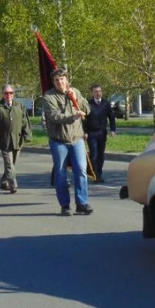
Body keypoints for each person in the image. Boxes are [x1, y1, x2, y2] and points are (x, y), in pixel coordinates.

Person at [43, 68, 92, 216]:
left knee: (81, 171)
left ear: (66, 80)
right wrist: (73, 115)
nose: (60, 82)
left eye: (62, 79)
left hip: (77, 139)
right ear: (53, 82)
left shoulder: (74, 92)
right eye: (57, 80)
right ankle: (65, 205)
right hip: (59, 141)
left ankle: (82, 203)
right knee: (61, 173)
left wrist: (75, 99)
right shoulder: (49, 97)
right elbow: (55, 117)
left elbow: (87, 110)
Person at [0, 84, 31, 194]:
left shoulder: (19, 106)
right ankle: (13, 185)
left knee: (12, 164)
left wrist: (27, 135)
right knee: (9, 164)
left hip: (17, 140)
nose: (8, 95)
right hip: (4, 140)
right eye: (6, 93)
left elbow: (25, 122)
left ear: (13, 94)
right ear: (2, 94)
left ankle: (4, 181)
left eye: (10, 93)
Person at [85, 84, 117, 183]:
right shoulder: (88, 104)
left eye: (99, 91)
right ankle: (94, 175)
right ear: (92, 93)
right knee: (93, 154)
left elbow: (111, 117)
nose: (98, 93)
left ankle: (99, 173)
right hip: (91, 133)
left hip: (102, 133)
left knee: (100, 155)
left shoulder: (106, 104)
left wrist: (113, 130)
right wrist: (84, 132)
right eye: (96, 91)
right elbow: (84, 120)